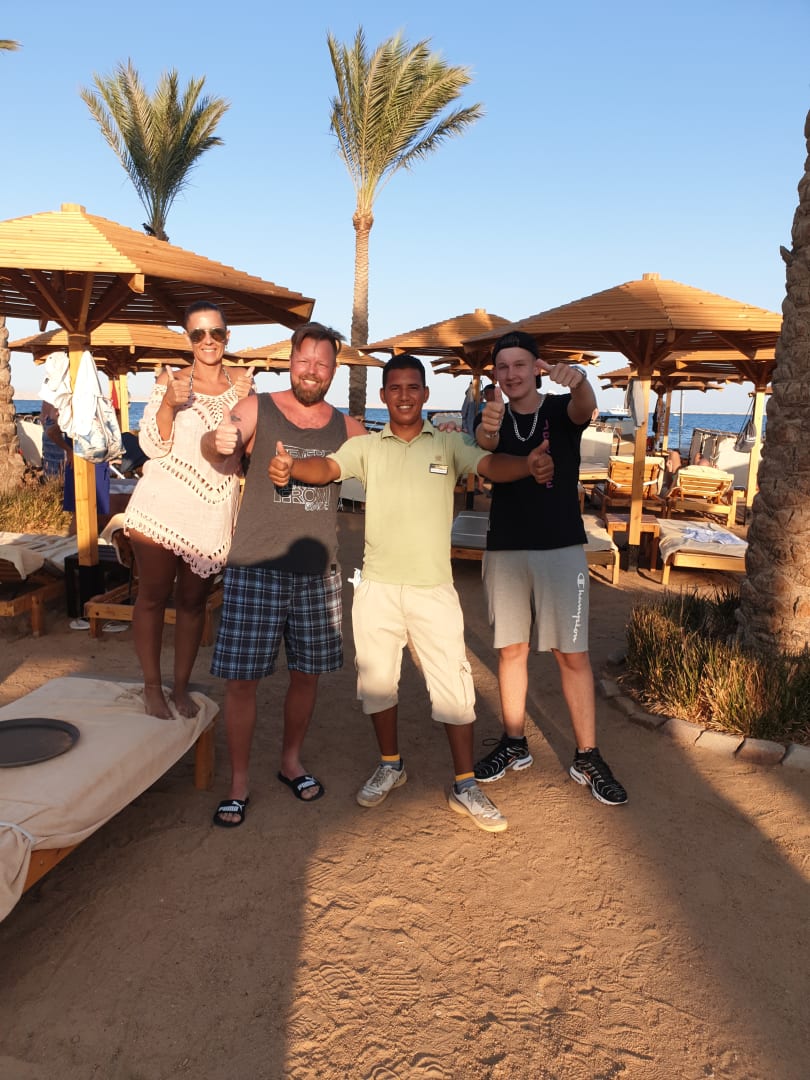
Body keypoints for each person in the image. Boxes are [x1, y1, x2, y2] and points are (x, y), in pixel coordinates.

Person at [269, 354, 555, 834]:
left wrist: (527, 464)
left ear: (425, 394)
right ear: (383, 396)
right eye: (395, 388)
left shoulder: (448, 443)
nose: (403, 395)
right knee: (377, 684)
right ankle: (391, 764)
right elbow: (328, 468)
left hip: (433, 589)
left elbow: (490, 464)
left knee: (455, 689)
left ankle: (465, 783)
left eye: (412, 387)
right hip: (377, 588)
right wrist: (292, 467)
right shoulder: (366, 447)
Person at [202, 322, 367, 828]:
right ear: (290, 361)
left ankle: (290, 761)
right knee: (242, 682)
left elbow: (390, 465)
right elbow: (219, 449)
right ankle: (238, 783)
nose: (311, 371)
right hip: (255, 566)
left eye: (322, 363)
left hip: (317, 572)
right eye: (304, 360)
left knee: (306, 676)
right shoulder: (257, 408)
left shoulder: (349, 429)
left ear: (334, 370)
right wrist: (216, 438)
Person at [473, 330, 627, 806]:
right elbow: (485, 446)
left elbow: (585, 407)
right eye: (503, 367)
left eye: (520, 364)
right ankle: (514, 742)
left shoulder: (560, 410)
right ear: (495, 373)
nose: (511, 374)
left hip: (561, 548)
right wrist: (488, 427)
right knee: (511, 650)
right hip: (505, 548)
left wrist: (579, 380)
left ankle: (587, 755)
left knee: (571, 654)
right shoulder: (492, 413)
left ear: (537, 368)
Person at [123, 301, 254, 720]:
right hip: (161, 507)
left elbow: (248, 453)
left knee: (194, 602)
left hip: (212, 512)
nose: (208, 340)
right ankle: (151, 686)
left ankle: (180, 687)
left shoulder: (244, 387)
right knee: (153, 596)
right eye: (198, 334)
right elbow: (151, 446)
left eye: (215, 332)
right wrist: (168, 404)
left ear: (228, 336)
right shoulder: (172, 381)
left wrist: (248, 405)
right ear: (188, 339)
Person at [40, 400, 66, 479]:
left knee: (51, 473)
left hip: (48, 426)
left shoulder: (47, 396)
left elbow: (42, 418)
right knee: (62, 471)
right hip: (58, 427)